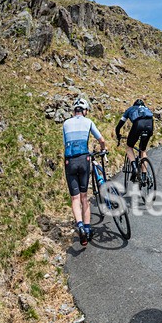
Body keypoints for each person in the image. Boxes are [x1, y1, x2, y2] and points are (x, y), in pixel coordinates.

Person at [62, 98, 106, 246]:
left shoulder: (66, 123)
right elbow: (101, 139)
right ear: (85, 111)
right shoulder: (88, 122)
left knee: (74, 199)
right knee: (84, 197)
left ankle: (79, 226)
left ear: (74, 111)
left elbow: (65, 143)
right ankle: (87, 229)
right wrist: (103, 149)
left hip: (70, 161)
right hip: (84, 160)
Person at [115, 99, 154, 181]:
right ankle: (144, 176)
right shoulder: (147, 109)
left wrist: (118, 134)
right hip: (150, 124)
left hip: (138, 124)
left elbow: (120, 124)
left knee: (129, 147)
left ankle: (134, 168)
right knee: (143, 150)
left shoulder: (130, 109)